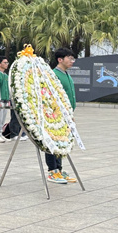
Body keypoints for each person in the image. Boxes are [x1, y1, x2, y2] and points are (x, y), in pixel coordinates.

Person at [47, 48, 78, 184]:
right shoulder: (53, 75)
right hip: (55, 116)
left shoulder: (66, 74)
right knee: (52, 142)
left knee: (61, 142)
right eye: (69, 58)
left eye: (73, 58)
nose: (72, 61)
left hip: (66, 116)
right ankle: (52, 171)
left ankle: (59, 170)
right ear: (60, 60)